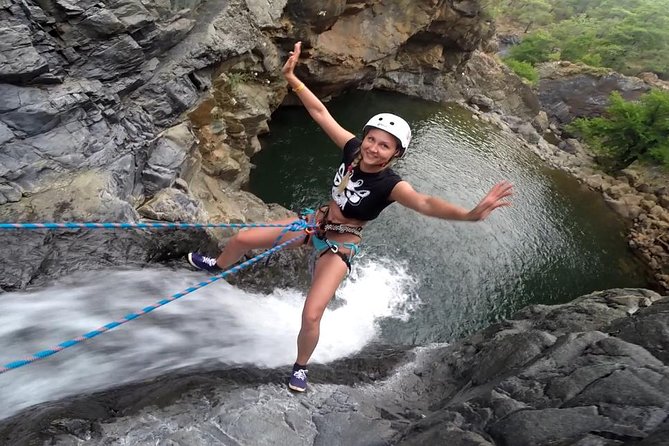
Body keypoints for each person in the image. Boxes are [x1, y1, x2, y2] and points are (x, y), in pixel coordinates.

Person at [187, 42, 513, 392]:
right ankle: (218, 267)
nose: (373, 148)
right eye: (372, 139)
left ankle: (300, 368)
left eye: (384, 145)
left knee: (312, 313)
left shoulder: (391, 184)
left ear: (396, 154)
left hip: (338, 247)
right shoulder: (353, 150)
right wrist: (292, 78)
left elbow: (425, 202)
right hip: (314, 224)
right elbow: (321, 114)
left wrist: (468, 215)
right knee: (241, 239)